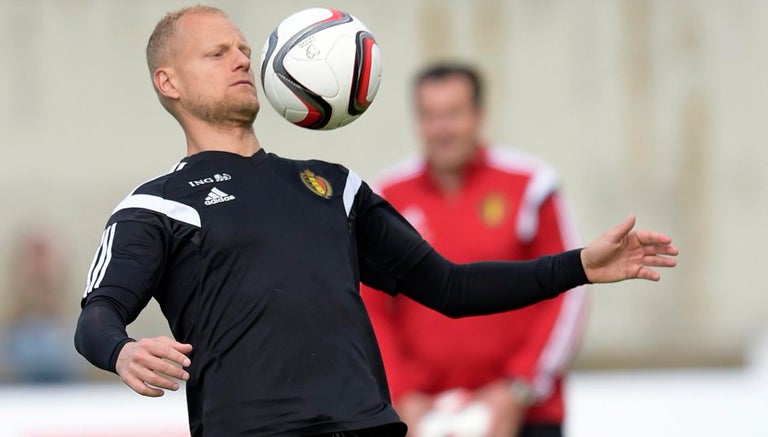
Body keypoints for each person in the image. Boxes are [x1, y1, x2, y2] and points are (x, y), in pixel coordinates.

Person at [73, 6, 678, 437]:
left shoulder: (332, 186)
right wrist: (122, 352)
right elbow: (96, 315)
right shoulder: (156, 205)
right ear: (168, 81)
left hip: (369, 427)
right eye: (217, 52)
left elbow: (451, 288)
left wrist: (577, 267)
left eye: (242, 49)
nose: (241, 59)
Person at [362, 64, 586, 437]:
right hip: (421, 417)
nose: (442, 129)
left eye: (453, 114)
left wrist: (519, 388)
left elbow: (570, 292)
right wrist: (398, 393)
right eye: (430, 116)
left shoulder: (532, 185)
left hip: (525, 414)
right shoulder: (386, 196)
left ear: (479, 115)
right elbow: (369, 305)